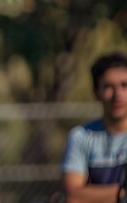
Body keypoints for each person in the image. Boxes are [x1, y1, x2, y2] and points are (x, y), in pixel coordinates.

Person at [62, 53, 127, 203]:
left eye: (124, 85)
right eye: (108, 87)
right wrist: (122, 193)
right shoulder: (81, 136)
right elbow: (74, 196)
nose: (118, 94)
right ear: (96, 93)